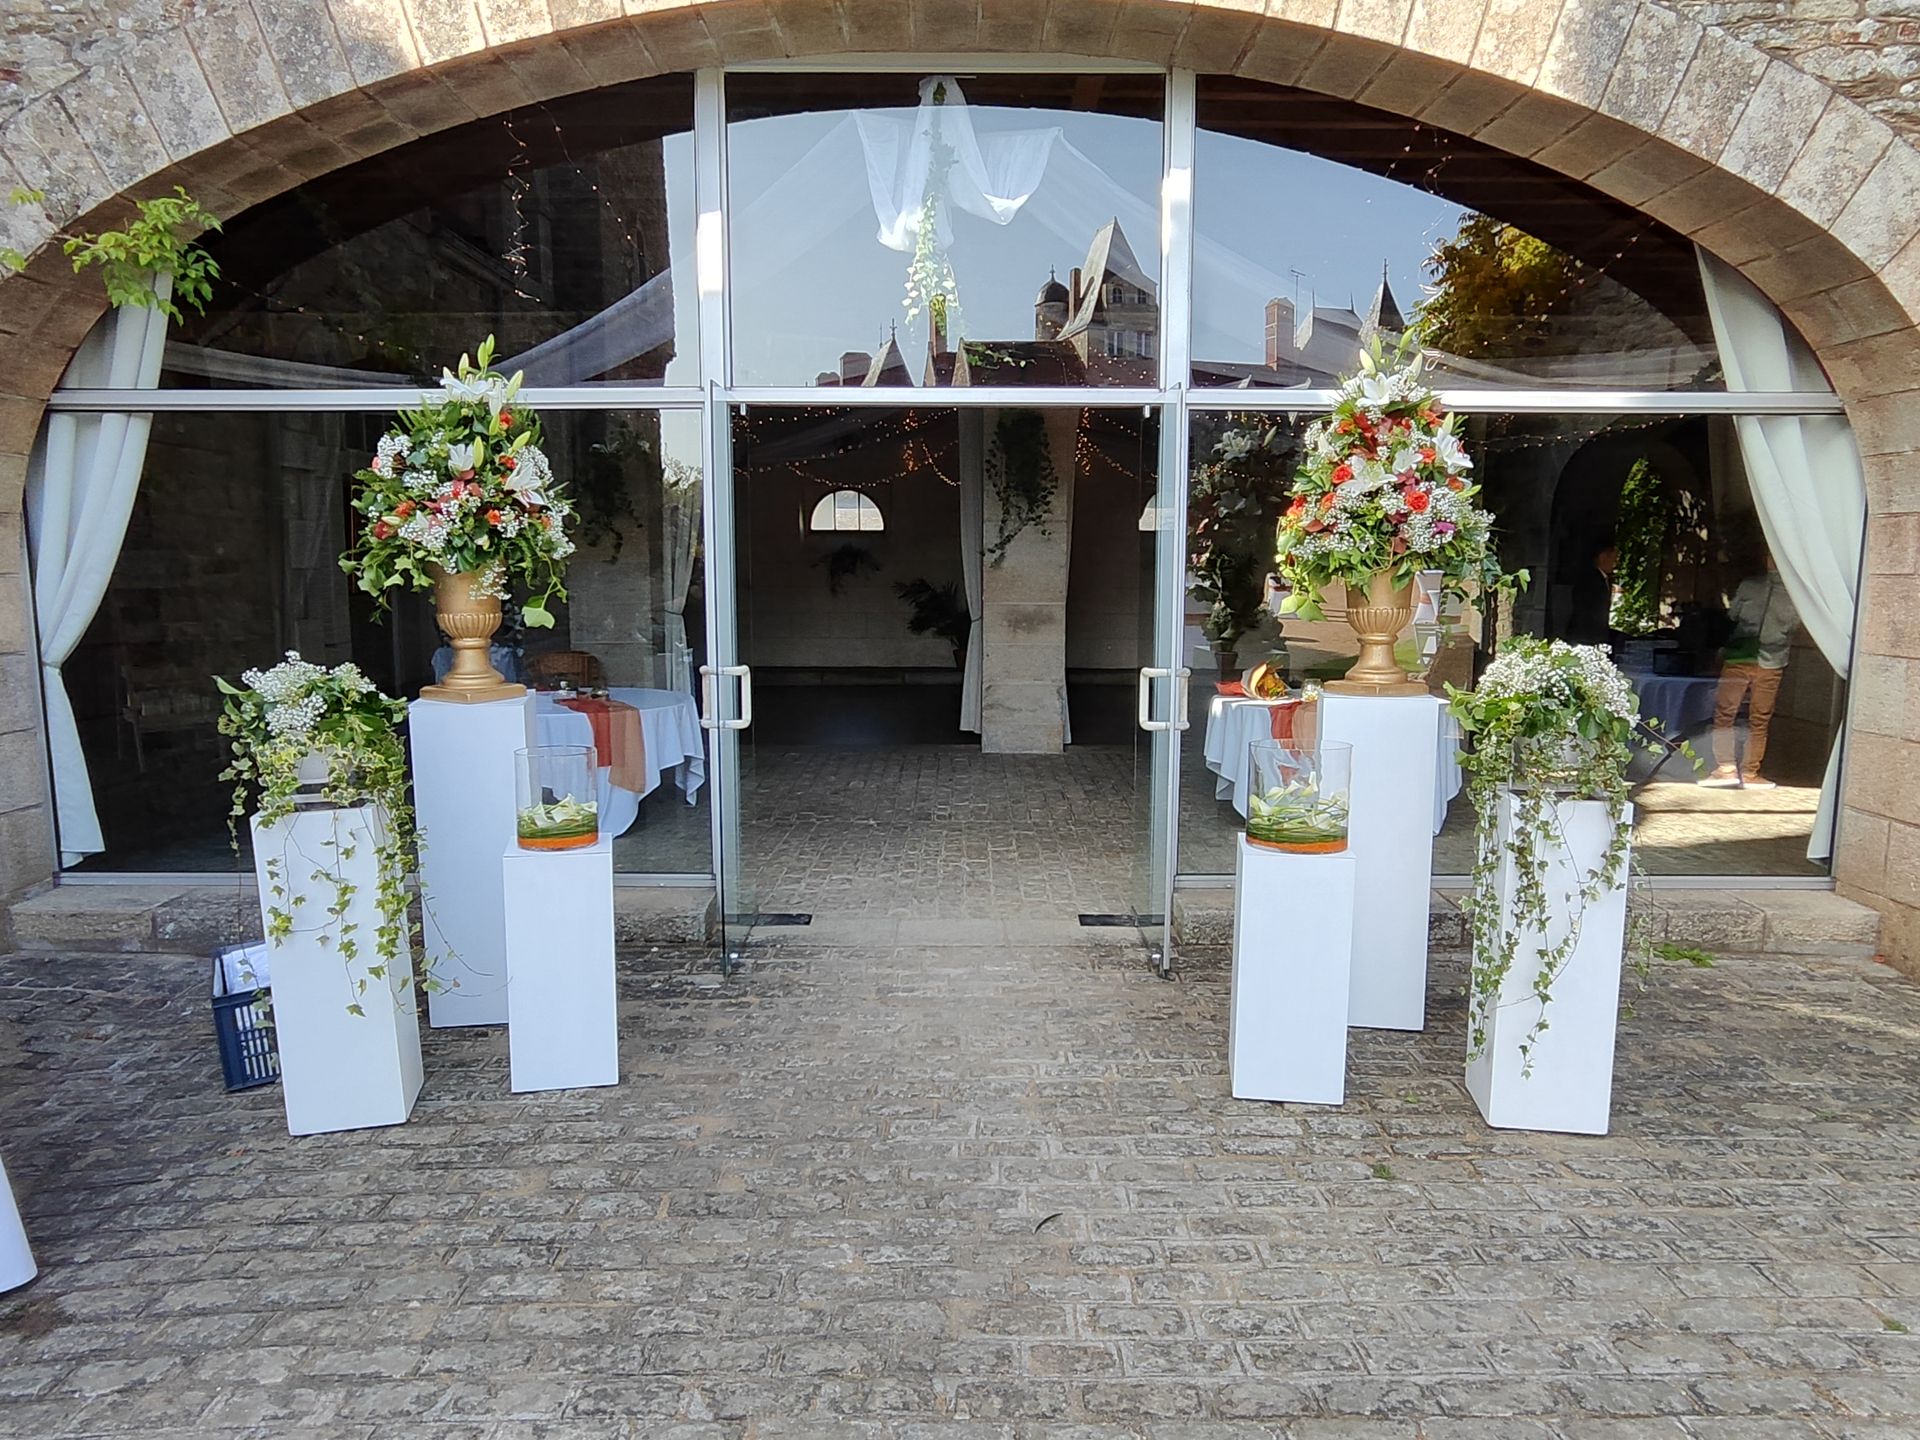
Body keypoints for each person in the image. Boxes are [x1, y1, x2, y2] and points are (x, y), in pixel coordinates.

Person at [1701, 555, 1798, 790]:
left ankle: (1726, 768)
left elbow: (1732, 617)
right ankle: (1751, 772)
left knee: (1725, 713)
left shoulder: (1749, 585)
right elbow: (1795, 626)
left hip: (1740, 656)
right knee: (1760, 718)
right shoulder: (1794, 593)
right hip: (1772, 659)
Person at [1563, 538, 1617, 648]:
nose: (1615, 564)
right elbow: (1587, 610)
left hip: (1594, 636)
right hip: (1585, 637)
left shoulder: (1603, 579)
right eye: (1613, 559)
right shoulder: (1590, 579)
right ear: (1602, 557)